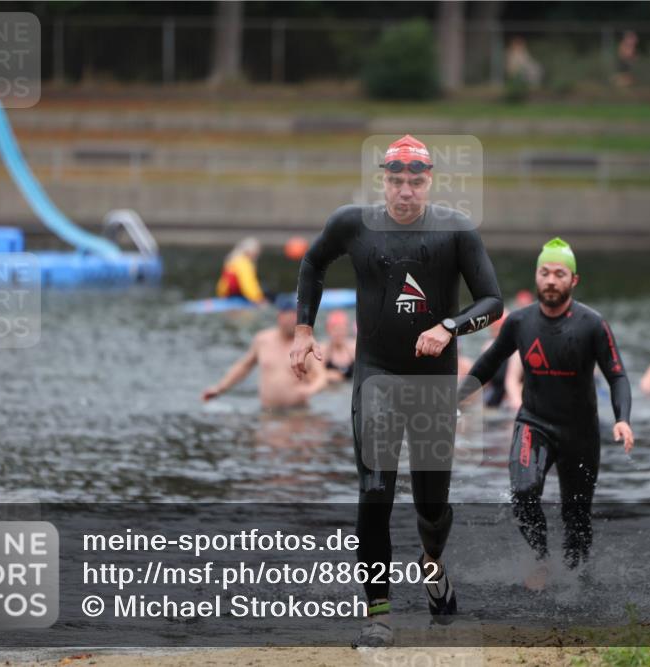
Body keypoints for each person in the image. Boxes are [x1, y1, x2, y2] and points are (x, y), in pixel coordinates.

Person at [289, 134, 503, 647]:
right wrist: (303, 329)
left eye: (416, 180)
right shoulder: (353, 223)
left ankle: (432, 564)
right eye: (396, 180)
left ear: (429, 180)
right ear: (383, 179)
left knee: (432, 507)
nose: (405, 191)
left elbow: (492, 303)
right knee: (374, 493)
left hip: (432, 385)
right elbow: (313, 263)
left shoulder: (455, 230)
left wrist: (449, 326)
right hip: (377, 376)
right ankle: (378, 615)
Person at [459, 238, 633, 589]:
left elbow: (616, 374)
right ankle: (539, 559)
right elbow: (489, 362)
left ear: (573, 281)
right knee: (523, 492)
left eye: (559, 273)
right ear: (536, 277)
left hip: (580, 433)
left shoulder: (592, 324)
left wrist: (622, 418)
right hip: (533, 422)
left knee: (577, 518)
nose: (551, 280)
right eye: (544, 272)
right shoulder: (520, 322)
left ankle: (575, 582)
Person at [203, 295, 326, 409]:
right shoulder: (263, 340)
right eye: (288, 316)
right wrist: (219, 388)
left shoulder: (306, 344)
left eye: (295, 316)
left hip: (298, 412)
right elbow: (243, 367)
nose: (292, 320)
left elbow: (321, 377)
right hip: (268, 412)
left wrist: (311, 389)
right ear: (280, 316)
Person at [216, 237, 265, 302]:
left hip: (227, 297)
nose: (258, 254)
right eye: (256, 251)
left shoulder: (232, 260)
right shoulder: (244, 263)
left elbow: (222, 285)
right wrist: (259, 299)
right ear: (249, 251)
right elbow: (248, 284)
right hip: (238, 297)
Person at [321, 309, 356, 383]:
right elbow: (311, 375)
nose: (339, 333)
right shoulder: (323, 351)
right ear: (328, 330)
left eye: (342, 330)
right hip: (330, 392)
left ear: (346, 330)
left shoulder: (354, 348)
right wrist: (326, 375)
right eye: (336, 330)